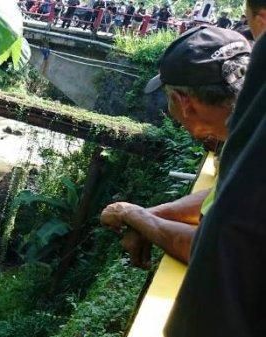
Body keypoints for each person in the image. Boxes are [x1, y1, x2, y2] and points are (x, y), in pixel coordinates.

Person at [139, 12, 266, 337]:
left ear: (185, 103)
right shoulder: (246, 145)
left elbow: (212, 246)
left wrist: (140, 219)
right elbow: (218, 198)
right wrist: (152, 213)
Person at [100, 26, 251, 267]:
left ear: (184, 103)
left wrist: (133, 215)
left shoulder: (254, 156)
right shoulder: (249, 133)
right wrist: (149, 217)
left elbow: (211, 251)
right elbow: (223, 195)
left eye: (169, 98)